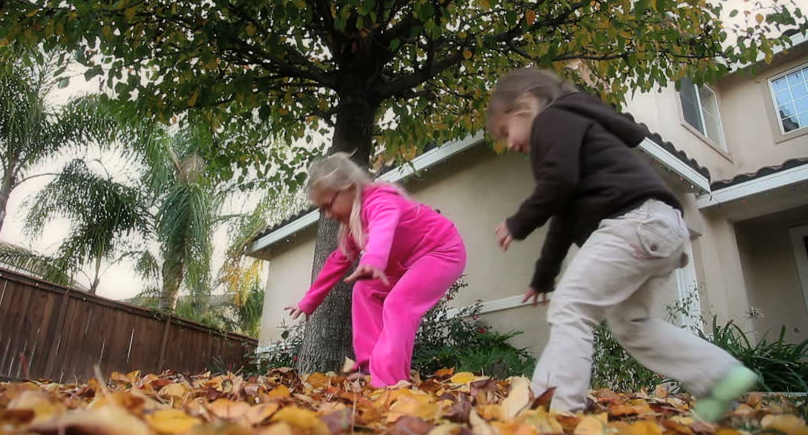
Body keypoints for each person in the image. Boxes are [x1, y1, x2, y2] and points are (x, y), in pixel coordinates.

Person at [485, 67, 756, 420]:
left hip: (633, 223)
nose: (510, 144)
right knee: (632, 324)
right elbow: (564, 216)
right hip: (660, 229)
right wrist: (543, 276)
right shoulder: (574, 127)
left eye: (506, 131)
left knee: (571, 308)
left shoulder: (552, 118)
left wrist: (518, 222)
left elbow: (559, 183)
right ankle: (721, 376)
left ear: (525, 104)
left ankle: (561, 415)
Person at [285, 153, 467, 387]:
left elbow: (384, 223)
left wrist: (373, 258)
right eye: (323, 210)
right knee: (363, 289)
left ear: (348, 187)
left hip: (442, 252)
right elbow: (335, 262)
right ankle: (370, 371)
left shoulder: (380, 198)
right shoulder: (353, 227)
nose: (328, 214)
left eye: (328, 205)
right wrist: (308, 301)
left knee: (398, 304)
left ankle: (389, 382)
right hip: (408, 263)